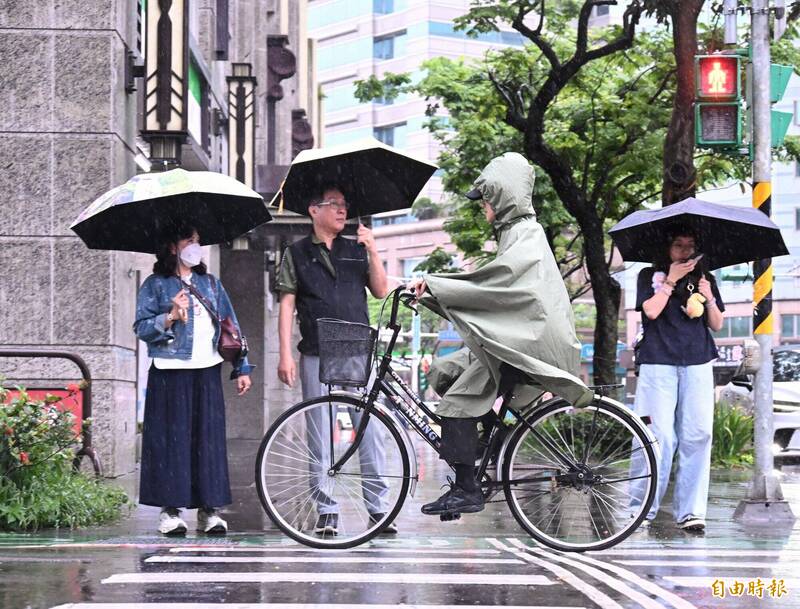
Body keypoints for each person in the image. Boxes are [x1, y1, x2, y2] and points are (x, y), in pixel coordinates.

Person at [408, 152, 594, 516]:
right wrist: (436, 291)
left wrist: (433, 285)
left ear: (501, 198)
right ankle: (488, 441)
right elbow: (495, 288)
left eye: (485, 200)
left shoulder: (525, 235)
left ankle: (466, 490)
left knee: (456, 405)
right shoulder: (517, 233)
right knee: (444, 372)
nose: (482, 208)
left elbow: (494, 284)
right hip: (522, 338)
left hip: (529, 344)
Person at [276, 185, 396, 535]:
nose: (343, 211)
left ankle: (378, 509)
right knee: (319, 433)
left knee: (371, 429)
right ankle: (326, 511)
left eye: (345, 206)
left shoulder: (355, 248)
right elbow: (286, 305)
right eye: (335, 205)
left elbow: (381, 290)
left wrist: (373, 250)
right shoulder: (295, 253)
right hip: (315, 349)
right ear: (314, 210)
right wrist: (285, 353)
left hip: (357, 348)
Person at [134, 222, 253, 536]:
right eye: (189, 240)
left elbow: (231, 326)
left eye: (198, 240)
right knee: (171, 443)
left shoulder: (210, 283)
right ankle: (171, 512)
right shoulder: (155, 285)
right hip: (169, 372)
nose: (195, 246)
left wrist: (242, 367)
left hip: (207, 370)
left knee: (208, 441)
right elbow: (141, 328)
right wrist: (170, 316)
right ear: (173, 246)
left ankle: (209, 511)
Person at [629, 226, 724, 532]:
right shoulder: (649, 276)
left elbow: (717, 323)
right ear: (667, 249)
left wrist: (708, 297)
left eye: (690, 245)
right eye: (679, 245)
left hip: (697, 361)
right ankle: (640, 509)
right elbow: (651, 313)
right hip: (658, 361)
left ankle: (691, 512)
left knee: (698, 435)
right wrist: (670, 281)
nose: (685, 250)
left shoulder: (705, 278)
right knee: (658, 437)